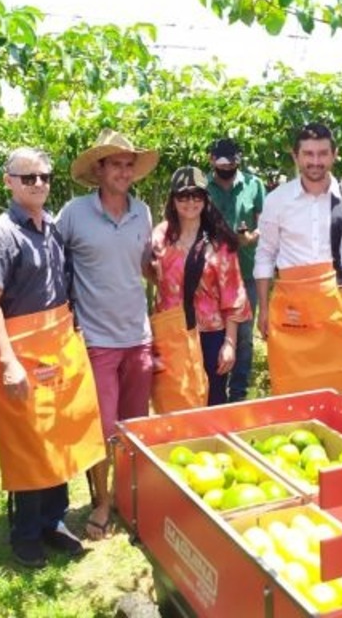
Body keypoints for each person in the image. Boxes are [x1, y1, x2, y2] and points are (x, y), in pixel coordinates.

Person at [0, 148, 103, 569]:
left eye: (45, 177)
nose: (39, 184)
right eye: (28, 178)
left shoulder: (51, 228)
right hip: (22, 353)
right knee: (28, 443)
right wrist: (8, 361)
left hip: (56, 347)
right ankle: (26, 532)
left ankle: (53, 521)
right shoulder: (1, 234)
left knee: (59, 432)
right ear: (8, 181)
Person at [56, 129, 158, 541]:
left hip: (138, 334)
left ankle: (125, 497)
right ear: (99, 169)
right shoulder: (74, 214)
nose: (124, 171)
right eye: (115, 163)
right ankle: (100, 501)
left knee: (135, 424)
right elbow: (54, 264)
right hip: (95, 339)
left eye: (128, 164)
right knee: (101, 427)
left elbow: (148, 267)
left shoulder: (143, 212)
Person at [254, 122, 342, 398]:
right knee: (291, 389)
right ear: (296, 156)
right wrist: (263, 309)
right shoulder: (278, 200)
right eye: (308, 154)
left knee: (340, 393)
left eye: (323, 153)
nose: (315, 161)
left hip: (336, 307)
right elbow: (265, 254)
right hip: (292, 311)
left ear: (334, 155)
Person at [151, 166, 251, 406]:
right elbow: (152, 275)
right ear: (173, 200)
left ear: (206, 199)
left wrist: (229, 343)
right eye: (183, 196)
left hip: (210, 333)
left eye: (197, 195)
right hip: (172, 332)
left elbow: (233, 296)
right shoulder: (160, 236)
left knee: (212, 399)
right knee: (175, 397)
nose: (190, 202)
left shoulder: (219, 242)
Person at [206, 138, 266, 402]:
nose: (227, 167)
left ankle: (238, 394)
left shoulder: (254, 185)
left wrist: (251, 238)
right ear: (211, 160)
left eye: (232, 162)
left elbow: (265, 224)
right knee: (213, 330)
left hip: (246, 270)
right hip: (211, 276)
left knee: (243, 336)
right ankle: (212, 390)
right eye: (221, 162)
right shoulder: (203, 188)